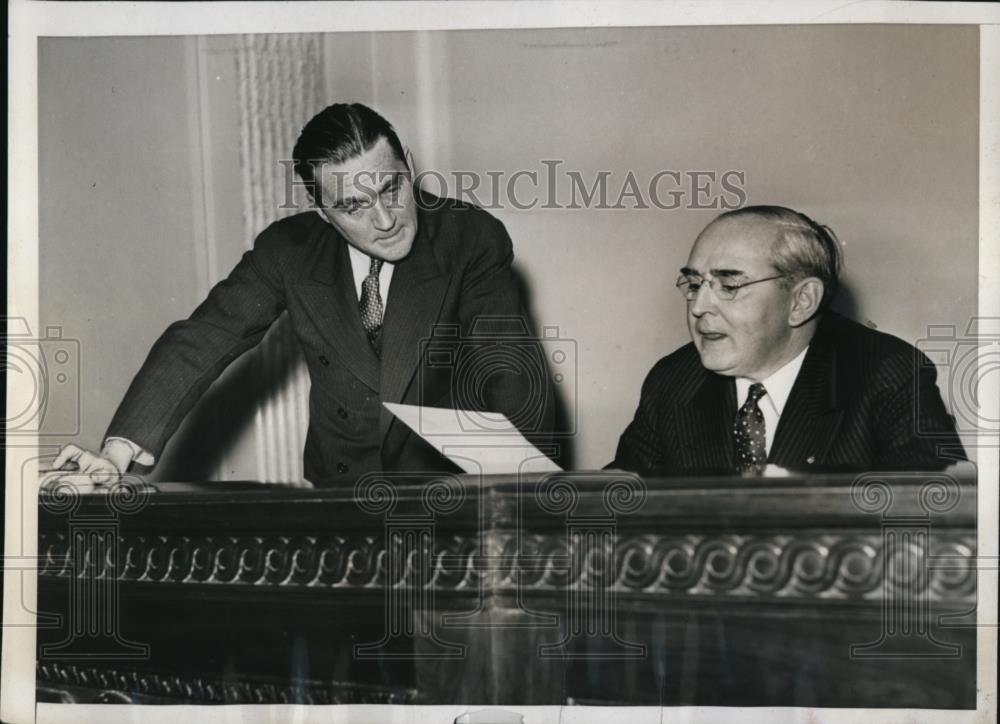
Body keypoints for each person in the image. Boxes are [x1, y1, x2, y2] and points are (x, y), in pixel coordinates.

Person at [53, 103, 555, 487]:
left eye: (391, 188)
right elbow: (202, 337)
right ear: (321, 211)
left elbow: (509, 374)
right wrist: (116, 454)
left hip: (448, 497)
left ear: (410, 166)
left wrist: (522, 504)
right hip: (335, 502)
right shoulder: (288, 251)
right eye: (354, 206)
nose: (384, 220)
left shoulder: (470, 239)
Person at [610, 205, 966, 476]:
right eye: (693, 285)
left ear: (801, 301)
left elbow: (934, 518)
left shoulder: (887, 374)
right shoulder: (674, 380)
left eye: (730, 285)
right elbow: (619, 502)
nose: (699, 307)